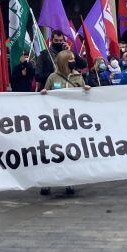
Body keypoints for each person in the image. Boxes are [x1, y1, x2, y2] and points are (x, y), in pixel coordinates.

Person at [38, 49, 88, 197]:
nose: (73, 61)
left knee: (69, 151)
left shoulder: (78, 77)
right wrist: (43, 94)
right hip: (54, 121)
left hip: (72, 122)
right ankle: (48, 182)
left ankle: (68, 180)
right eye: (70, 59)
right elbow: (43, 96)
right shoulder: (52, 78)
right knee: (52, 152)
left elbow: (84, 98)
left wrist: (86, 90)